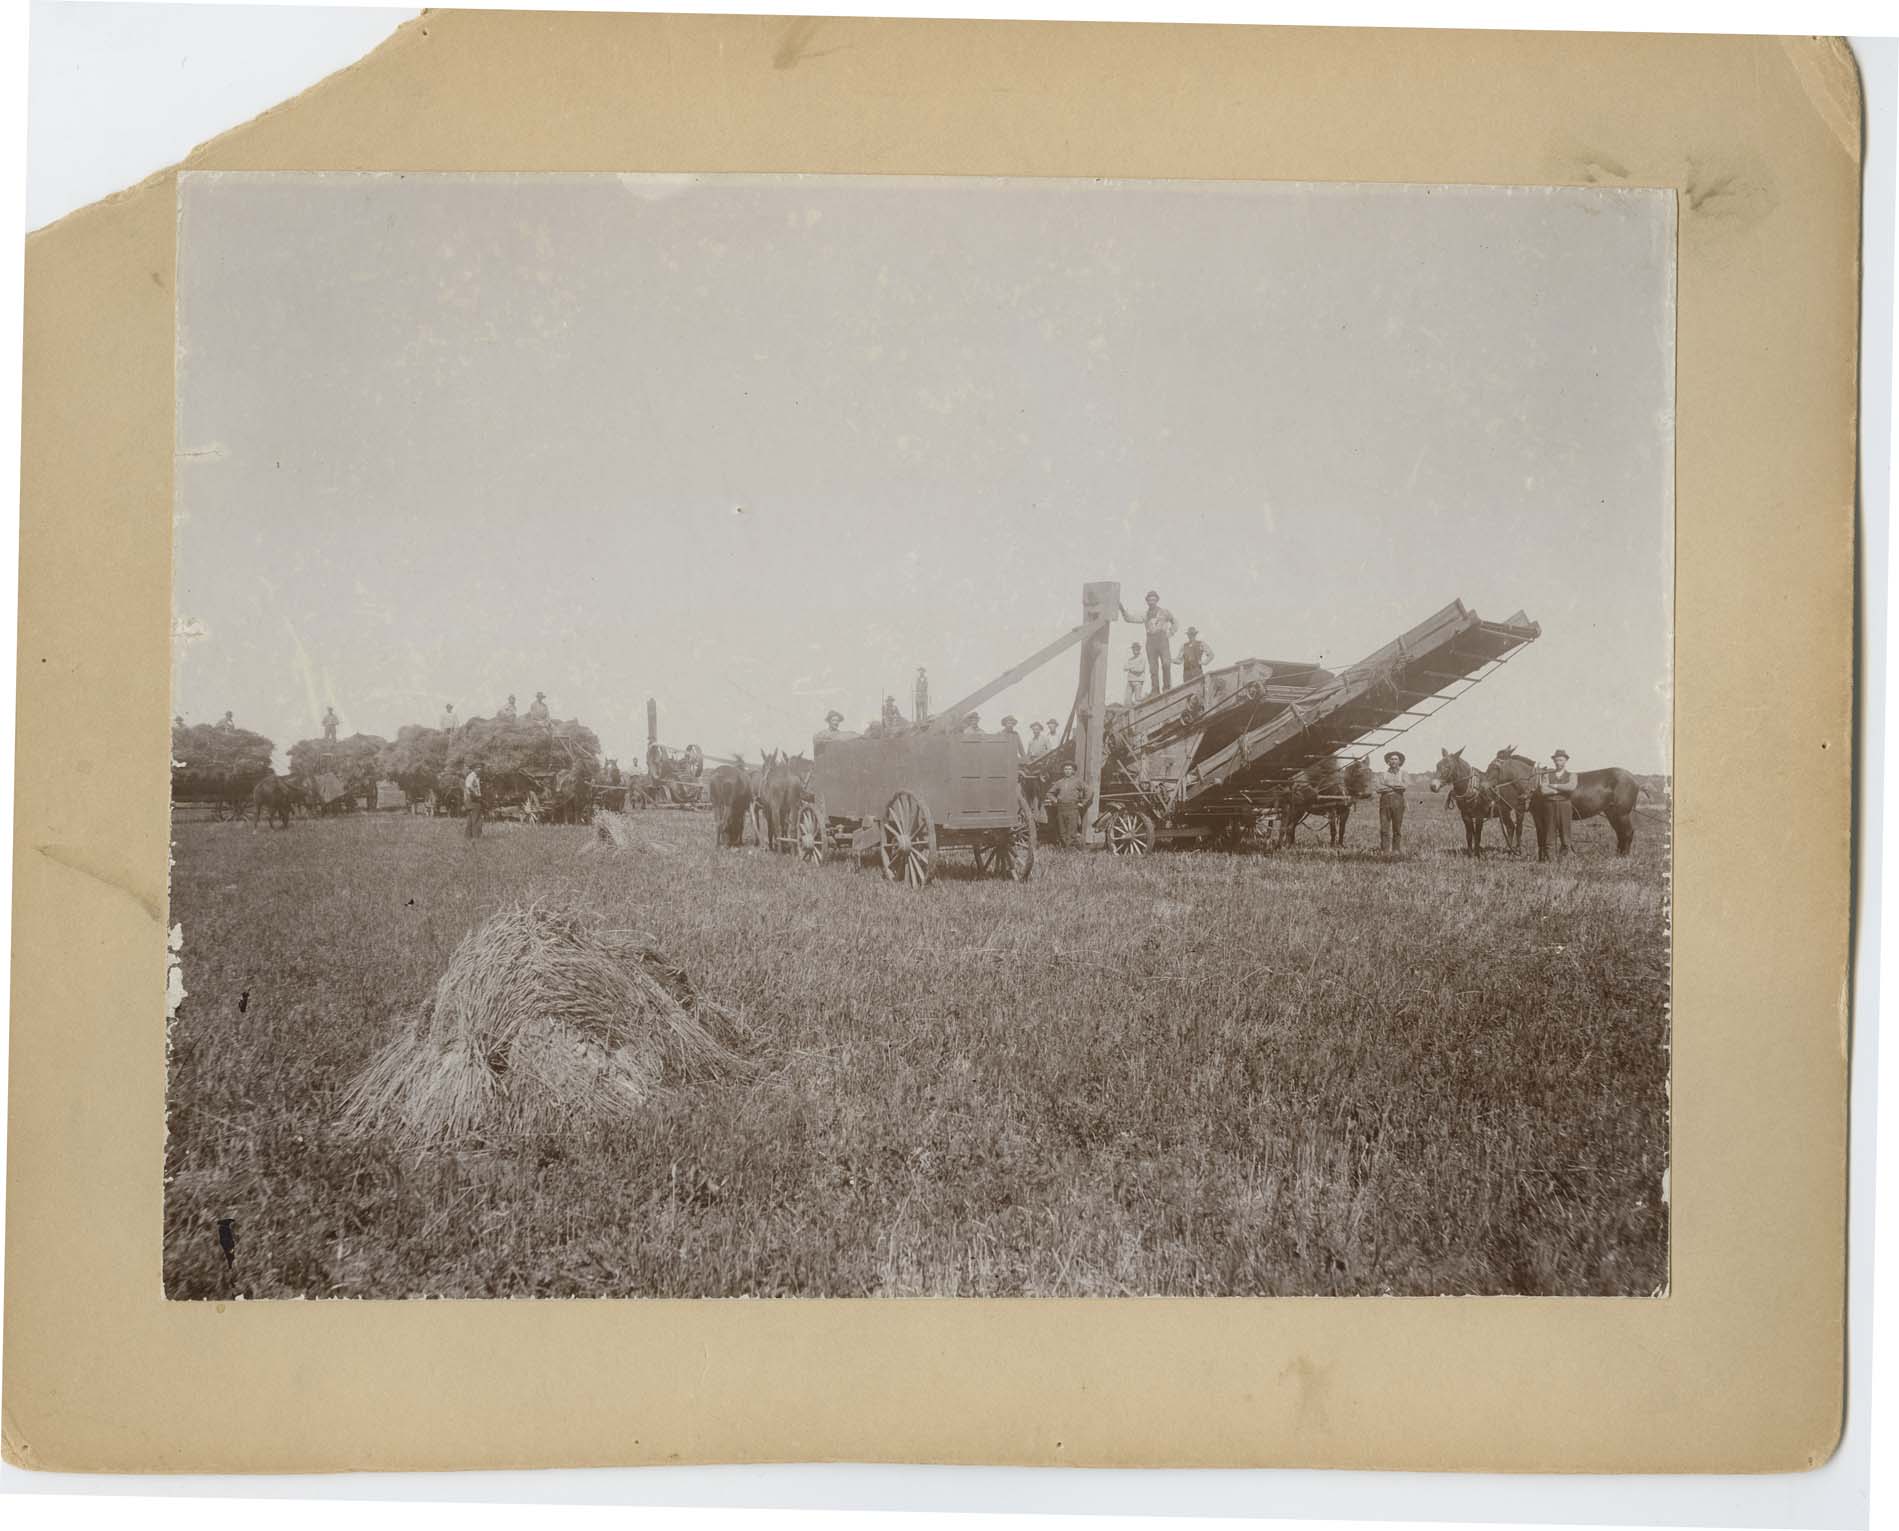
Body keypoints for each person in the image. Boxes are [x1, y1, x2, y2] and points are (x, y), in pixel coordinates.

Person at [1120, 589, 1178, 696]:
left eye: (1153, 600)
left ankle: (1167, 688)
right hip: (1151, 640)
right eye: (1149, 600)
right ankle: (1155, 690)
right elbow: (1130, 618)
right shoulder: (1146, 615)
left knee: (1166, 663)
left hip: (1162, 639)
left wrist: (1170, 633)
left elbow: (1175, 622)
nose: (1151, 602)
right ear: (1147, 601)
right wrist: (1122, 609)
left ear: (1157, 600)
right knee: (1153, 668)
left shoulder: (1164, 612)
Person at [1540, 749, 1576, 857]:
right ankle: (1550, 860)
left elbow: (1571, 787)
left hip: (1565, 805)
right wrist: (1561, 790)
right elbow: (1543, 791)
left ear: (1565, 761)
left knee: (1565, 832)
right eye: (1556, 760)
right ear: (1554, 761)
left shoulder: (1572, 775)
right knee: (1549, 832)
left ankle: (1564, 859)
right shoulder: (1547, 775)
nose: (1558, 762)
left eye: (1561, 760)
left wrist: (1553, 786)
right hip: (1550, 805)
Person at [1046, 763, 1092, 848]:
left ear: (1073, 771)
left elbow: (1089, 791)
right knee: (1062, 829)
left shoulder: (1078, 781)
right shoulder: (1059, 782)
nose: (1067, 771)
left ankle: (1070, 849)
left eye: (1069, 769)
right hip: (1061, 808)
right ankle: (1063, 848)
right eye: (1066, 769)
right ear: (1063, 771)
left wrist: (1083, 803)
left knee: (1071, 830)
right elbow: (1049, 793)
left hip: (1072, 808)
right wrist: (1055, 800)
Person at [1375, 750, 1407, 855]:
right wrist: (1395, 786)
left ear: (1400, 761)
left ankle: (1396, 850)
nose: (1393, 761)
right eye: (1391, 759)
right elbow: (1379, 789)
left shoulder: (1403, 773)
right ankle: (1385, 851)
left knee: (1397, 828)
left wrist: (1387, 784)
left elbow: (1404, 787)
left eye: (1396, 759)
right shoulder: (1383, 774)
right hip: (1384, 802)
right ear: (1388, 761)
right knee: (1384, 828)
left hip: (1398, 802)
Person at [463, 765, 484, 839]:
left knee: (471, 819)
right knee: (477, 819)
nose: (480, 769)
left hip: (472, 799)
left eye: (481, 767)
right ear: (474, 768)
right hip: (472, 799)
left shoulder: (476, 777)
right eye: (478, 767)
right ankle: (476, 837)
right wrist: (476, 794)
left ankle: (468, 837)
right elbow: (469, 786)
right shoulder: (472, 776)